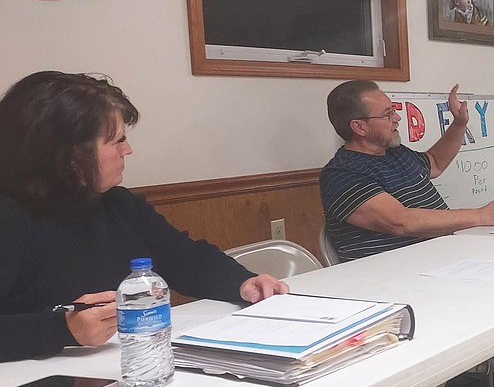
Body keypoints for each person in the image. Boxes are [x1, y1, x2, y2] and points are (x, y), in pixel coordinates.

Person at [0, 71, 289, 364]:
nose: (128, 150)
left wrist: (242, 282)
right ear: (69, 154)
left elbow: (184, 258)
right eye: (117, 140)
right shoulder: (9, 218)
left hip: (127, 365)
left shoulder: (117, 204)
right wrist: (60, 329)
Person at [320, 80, 494, 387]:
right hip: (393, 280)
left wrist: (460, 124)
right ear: (359, 127)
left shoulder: (396, 154)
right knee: (489, 299)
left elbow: (433, 163)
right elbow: (399, 222)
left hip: (442, 262)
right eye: (387, 113)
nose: (397, 115)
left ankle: (469, 384)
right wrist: (480, 215)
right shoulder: (342, 174)